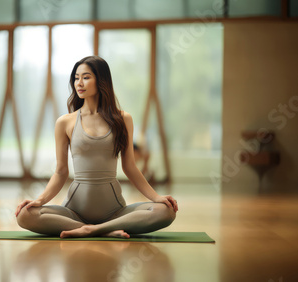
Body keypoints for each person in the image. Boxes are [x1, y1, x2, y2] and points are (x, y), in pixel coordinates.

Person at [15, 56, 178, 238]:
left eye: (86, 77)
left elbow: (130, 167)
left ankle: (93, 230)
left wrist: (156, 198)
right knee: (25, 215)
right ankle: (96, 229)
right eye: (76, 78)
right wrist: (39, 200)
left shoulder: (123, 119)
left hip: (114, 212)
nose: (79, 83)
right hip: (74, 212)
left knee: (166, 211)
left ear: (101, 80)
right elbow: (61, 172)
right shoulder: (65, 122)